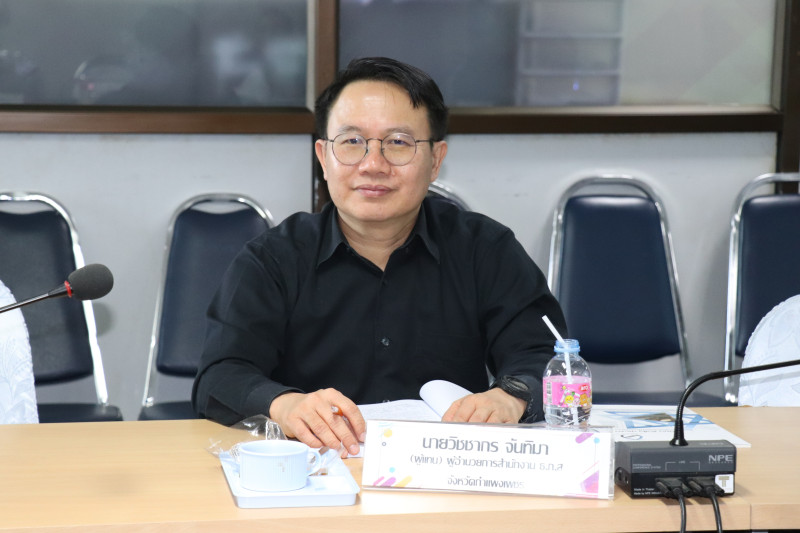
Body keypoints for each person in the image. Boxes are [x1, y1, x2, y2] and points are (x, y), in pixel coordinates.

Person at [192, 57, 566, 457]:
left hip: (446, 470)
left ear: (436, 160)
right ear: (323, 157)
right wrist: (285, 405)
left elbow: (548, 355)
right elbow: (220, 375)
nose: (373, 165)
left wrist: (511, 396)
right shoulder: (273, 259)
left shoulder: (484, 249)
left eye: (398, 143)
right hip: (315, 470)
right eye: (352, 142)